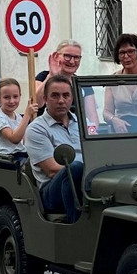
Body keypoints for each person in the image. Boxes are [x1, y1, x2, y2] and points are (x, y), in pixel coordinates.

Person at [26, 74, 84, 223]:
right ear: (45, 99)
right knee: (74, 169)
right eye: (55, 96)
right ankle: (77, 227)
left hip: (88, 180)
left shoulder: (83, 124)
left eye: (66, 95)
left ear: (72, 98)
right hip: (52, 190)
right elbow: (52, 170)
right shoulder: (37, 129)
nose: (61, 101)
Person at [34, 40, 100, 126]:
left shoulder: (83, 84)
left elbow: (92, 116)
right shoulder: (43, 77)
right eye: (67, 56)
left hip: (76, 133)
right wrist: (51, 76)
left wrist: (91, 135)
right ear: (57, 56)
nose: (72, 61)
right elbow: (37, 103)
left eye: (76, 57)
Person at [0, 78, 36, 155]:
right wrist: (27, 115)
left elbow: (25, 140)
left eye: (15, 96)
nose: (12, 101)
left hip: (20, 154)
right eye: (6, 97)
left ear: (20, 96)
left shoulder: (18, 117)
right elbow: (14, 139)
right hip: (4, 158)